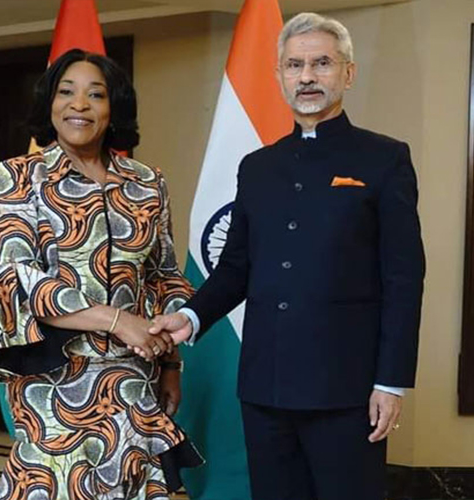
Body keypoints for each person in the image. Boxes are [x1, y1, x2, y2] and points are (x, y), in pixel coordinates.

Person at [146, 12, 425, 500]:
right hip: (265, 386)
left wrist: (392, 382)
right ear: (279, 77)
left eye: (321, 63)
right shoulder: (258, 167)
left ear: (347, 73)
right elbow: (236, 268)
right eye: (295, 65)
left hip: (347, 388)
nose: (308, 76)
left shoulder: (385, 159)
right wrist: (190, 316)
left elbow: (404, 278)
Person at [0, 49, 202, 500]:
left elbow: (163, 274)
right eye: (66, 92)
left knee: (131, 483)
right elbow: (19, 277)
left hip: (132, 374)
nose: (79, 105)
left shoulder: (148, 182)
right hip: (53, 376)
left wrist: (171, 365)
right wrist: (117, 320)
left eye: (95, 94)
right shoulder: (16, 177)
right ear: (49, 104)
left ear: (114, 108)